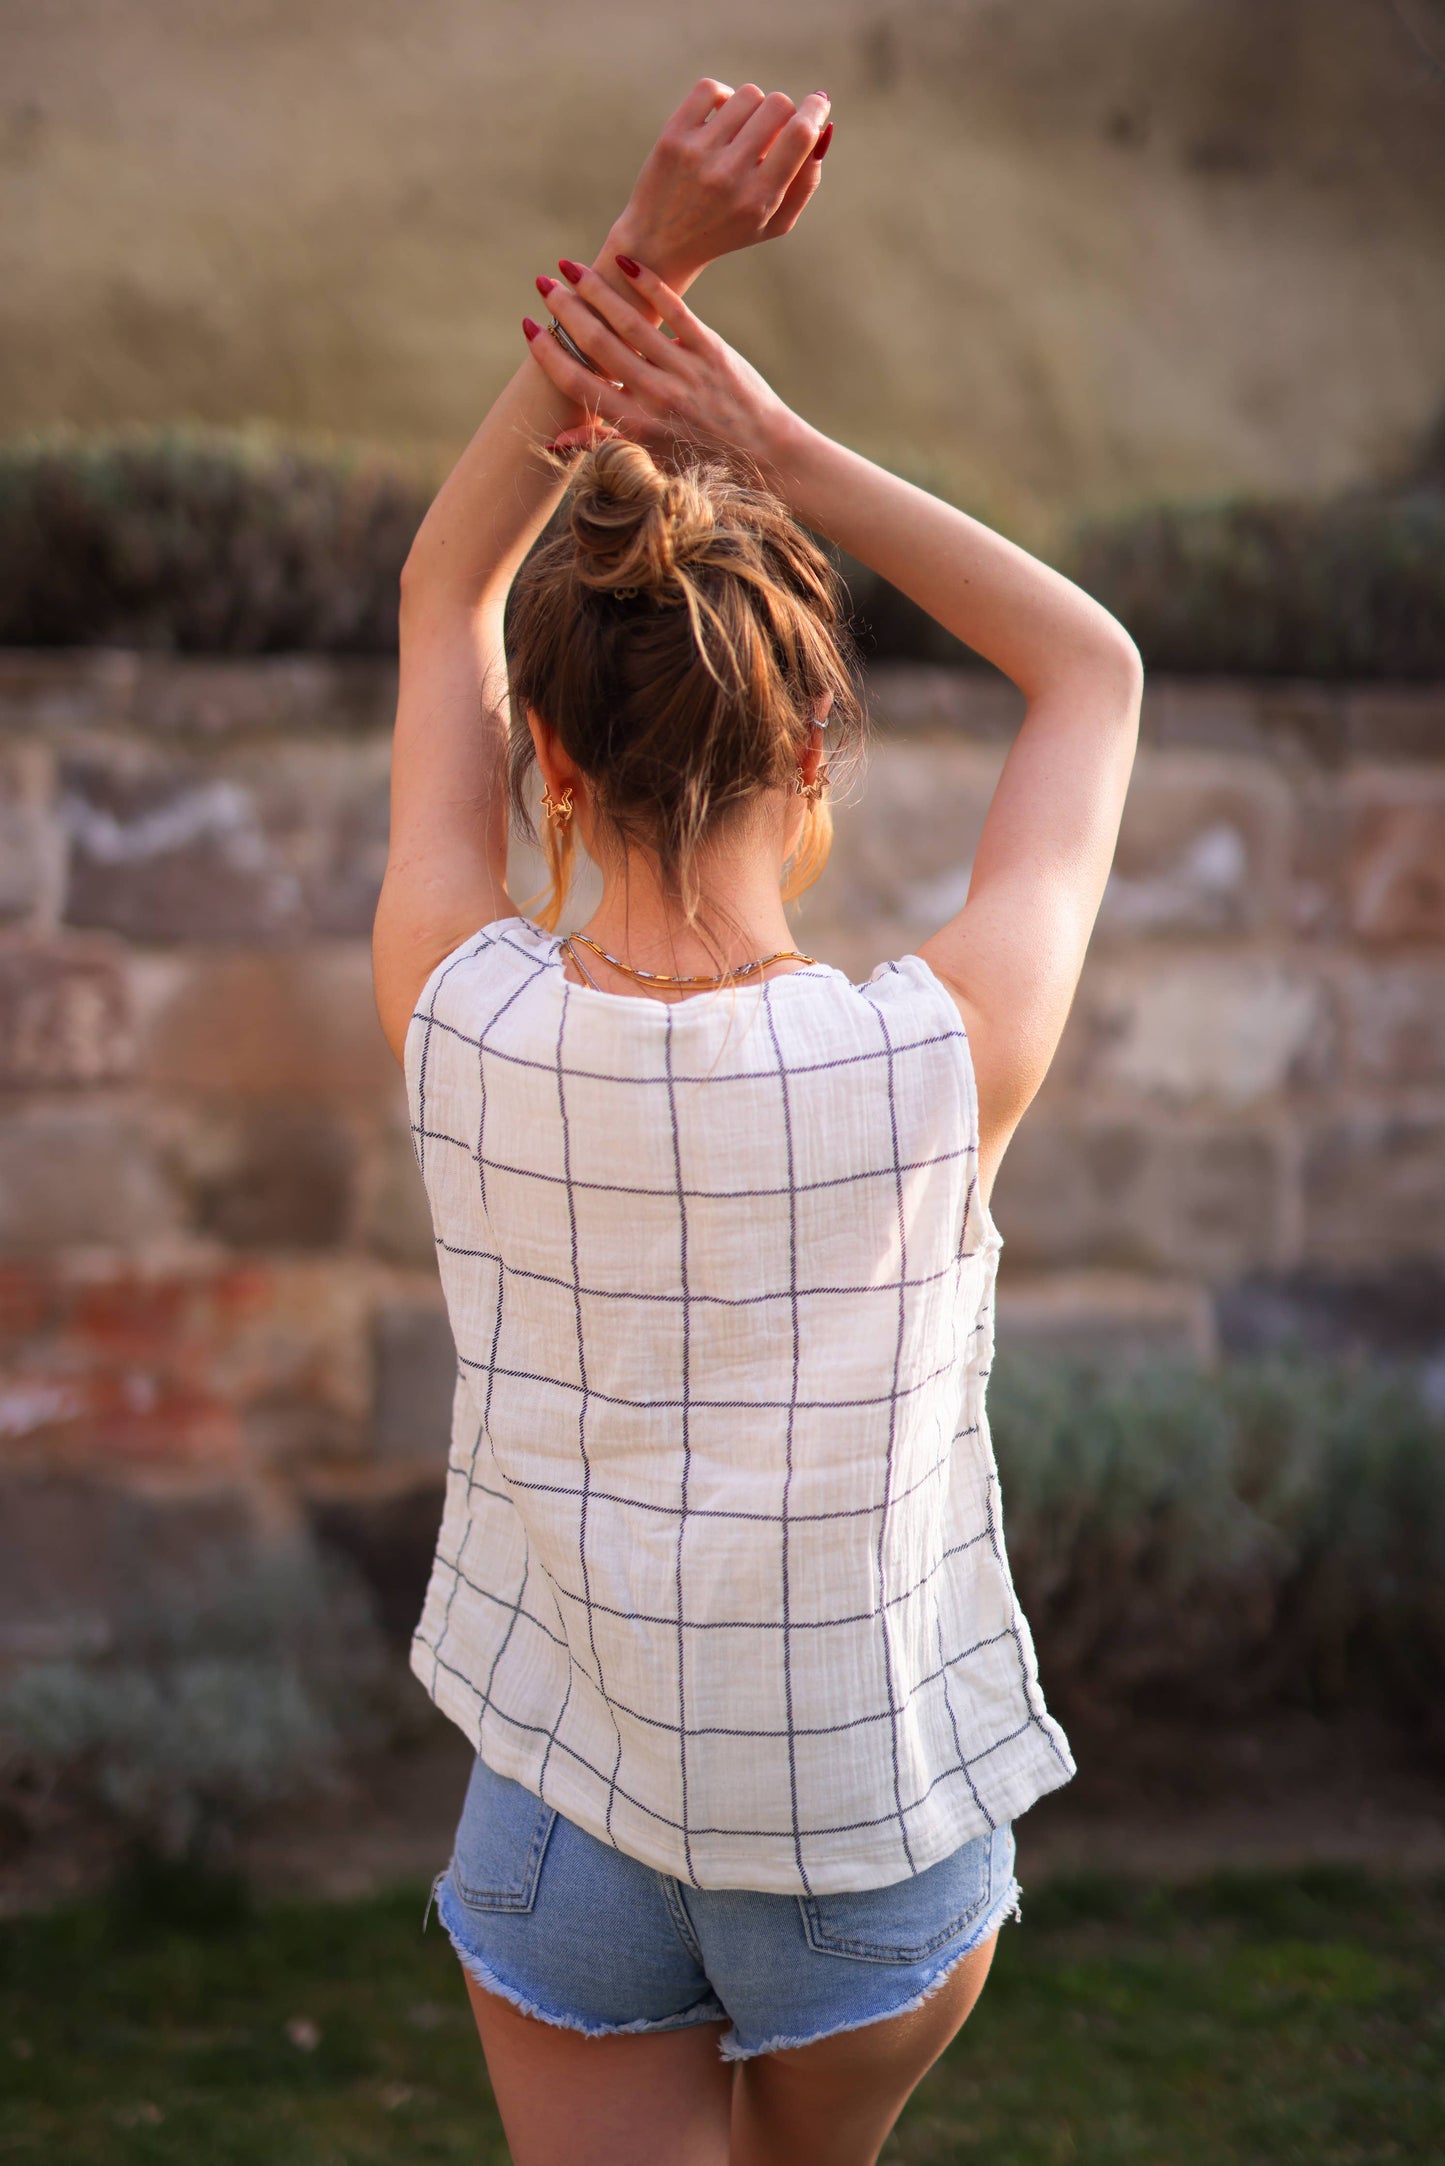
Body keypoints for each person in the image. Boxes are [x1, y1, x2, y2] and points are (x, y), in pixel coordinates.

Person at [372, 75, 1143, 2166]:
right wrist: (777, 450)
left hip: (566, 1821)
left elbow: (448, 588)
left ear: (546, 758)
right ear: (817, 749)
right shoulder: (939, 1056)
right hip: (863, 1833)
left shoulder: (459, 1010)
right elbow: (1090, 673)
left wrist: (652, 251)